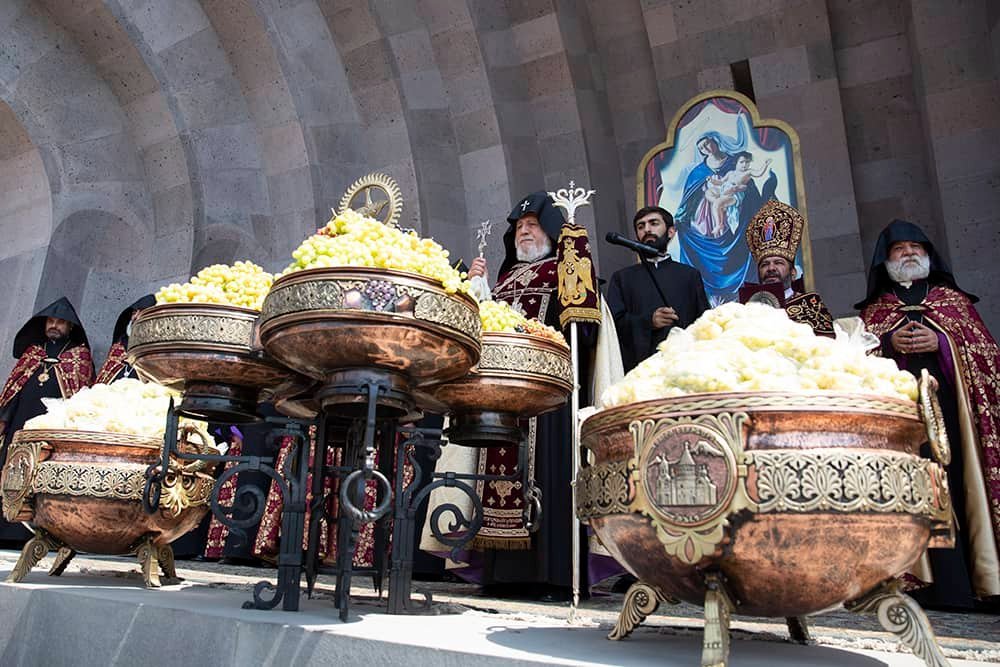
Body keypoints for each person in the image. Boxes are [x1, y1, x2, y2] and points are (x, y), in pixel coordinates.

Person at [856, 219, 1000, 610]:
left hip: (955, 418)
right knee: (916, 496)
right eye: (898, 250)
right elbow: (856, 363)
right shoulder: (876, 312)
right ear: (885, 262)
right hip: (905, 426)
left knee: (959, 489)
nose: (908, 254)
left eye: (914, 248)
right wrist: (888, 343)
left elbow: (986, 358)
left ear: (928, 255)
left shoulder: (954, 304)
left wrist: (943, 342)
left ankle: (979, 583)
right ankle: (925, 586)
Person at [464, 191, 596, 600]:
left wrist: (576, 262)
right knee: (494, 473)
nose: (524, 232)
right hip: (502, 390)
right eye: (519, 227)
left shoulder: (564, 267)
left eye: (533, 226)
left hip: (546, 391)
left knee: (549, 477)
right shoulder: (504, 279)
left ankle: (554, 576)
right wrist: (478, 291)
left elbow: (584, 326)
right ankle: (503, 575)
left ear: (551, 233)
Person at [0, 297, 94, 542]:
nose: (54, 325)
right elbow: (12, 390)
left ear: (70, 326)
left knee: (40, 480)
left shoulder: (79, 357)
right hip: (19, 428)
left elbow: (80, 398)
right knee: (10, 474)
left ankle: (37, 533)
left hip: (51, 433)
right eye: (51, 321)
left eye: (60, 322)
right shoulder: (32, 354)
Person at [672, 116, 778, 305]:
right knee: (714, 206)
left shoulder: (736, 164)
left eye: (707, 144)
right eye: (701, 147)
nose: (705, 148)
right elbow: (687, 201)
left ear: (715, 142)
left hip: (737, 225)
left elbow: (751, 192)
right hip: (706, 227)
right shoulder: (697, 172)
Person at [606, 206, 709, 372]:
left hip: (684, 369)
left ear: (671, 232)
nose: (647, 229)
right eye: (641, 226)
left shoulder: (689, 275)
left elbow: (703, 323)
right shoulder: (622, 278)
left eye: (654, 223)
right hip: (639, 371)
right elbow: (612, 328)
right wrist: (648, 322)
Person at [740, 199, 835, 336]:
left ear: (793, 273)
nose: (771, 268)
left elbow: (828, 344)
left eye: (778, 263)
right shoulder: (746, 309)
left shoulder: (810, 305)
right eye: (765, 264)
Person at [704, 153, 772, 237]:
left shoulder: (748, 172)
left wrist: (765, 165)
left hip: (735, 194)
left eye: (747, 162)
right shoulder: (730, 173)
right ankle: (722, 205)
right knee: (708, 193)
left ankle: (719, 224)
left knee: (717, 203)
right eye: (742, 162)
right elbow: (721, 182)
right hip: (724, 190)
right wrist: (712, 181)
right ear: (736, 162)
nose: (744, 165)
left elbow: (759, 173)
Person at [95, 295, 155, 384]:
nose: (135, 317)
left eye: (143, 312)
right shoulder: (119, 346)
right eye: (134, 312)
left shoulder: (157, 351)